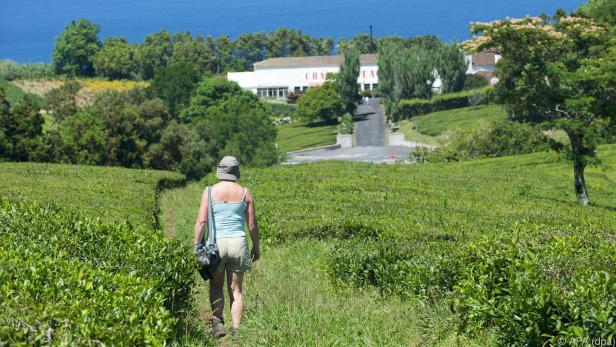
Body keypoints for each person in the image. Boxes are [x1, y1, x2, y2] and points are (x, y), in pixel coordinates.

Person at [194, 156, 260, 337]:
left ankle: (218, 325)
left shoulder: (209, 191)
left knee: (216, 286)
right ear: (236, 172)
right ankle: (237, 331)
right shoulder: (245, 193)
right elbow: (252, 225)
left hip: (216, 244)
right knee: (236, 290)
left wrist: (196, 246)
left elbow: (201, 222)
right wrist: (256, 246)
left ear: (220, 171)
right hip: (238, 243)